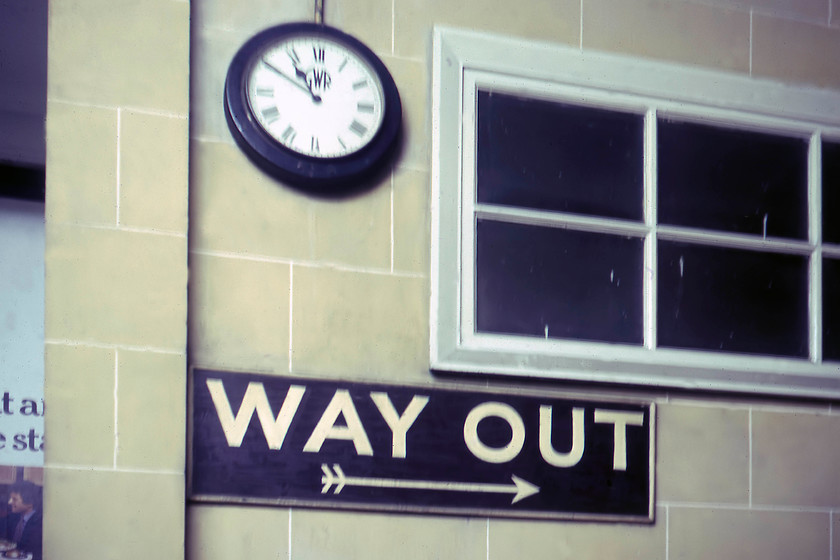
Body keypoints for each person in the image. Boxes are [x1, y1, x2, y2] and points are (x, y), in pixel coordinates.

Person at [5, 481, 42, 560]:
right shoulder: (13, 517)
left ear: (30, 503)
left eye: (14, 499)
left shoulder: (39, 524)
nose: (9, 502)